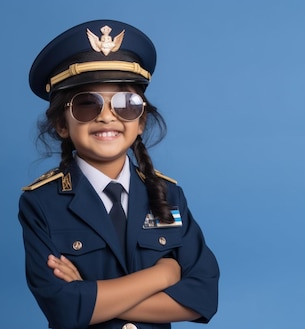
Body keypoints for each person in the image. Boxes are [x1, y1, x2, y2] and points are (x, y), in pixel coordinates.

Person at [18, 19, 219, 329]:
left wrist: (92, 297)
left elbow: (202, 296)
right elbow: (64, 308)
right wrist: (161, 275)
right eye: (87, 104)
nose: (107, 116)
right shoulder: (42, 203)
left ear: (140, 122)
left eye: (126, 103)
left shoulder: (168, 195)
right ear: (62, 124)